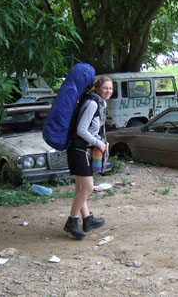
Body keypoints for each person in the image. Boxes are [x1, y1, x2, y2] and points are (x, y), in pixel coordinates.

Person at [64, 76, 113, 239]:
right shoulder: (92, 104)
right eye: (105, 88)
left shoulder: (97, 103)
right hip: (79, 150)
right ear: (97, 89)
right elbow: (81, 130)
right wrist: (98, 143)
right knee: (88, 188)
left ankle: (87, 220)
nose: (108, 91)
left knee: (80, 188)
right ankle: (72, 221)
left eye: (111, 88)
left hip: (80, 149)